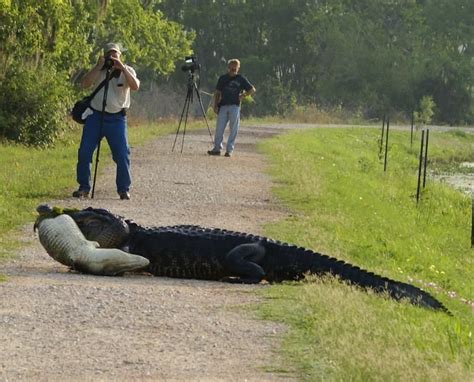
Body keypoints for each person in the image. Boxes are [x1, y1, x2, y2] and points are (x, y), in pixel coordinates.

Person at [72, 42, 140, 200]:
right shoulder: (99, 71)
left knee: (122, 154)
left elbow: (135, 86)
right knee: (84, 152)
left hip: (117, 119)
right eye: (109, 54)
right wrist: (98, 66)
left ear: (120, 56)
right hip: (95, 117)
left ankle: (123, 189)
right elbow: (84, 84)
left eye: (115, 54)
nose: (112, 57)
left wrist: (121, 67)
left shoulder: (127, 70)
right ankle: (83, 187)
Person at [207, 59, 256, 157]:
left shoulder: (241, 78)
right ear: (228, 68)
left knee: (233, 128)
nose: (233, 70)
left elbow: (252, 89)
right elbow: (217, 93)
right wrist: (215, 105)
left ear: (238, 68)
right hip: (223, 105)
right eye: (231, 68)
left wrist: (243, 95)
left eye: (235, 68)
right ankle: (217, 148)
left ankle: (229, 150)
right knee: (219, 128)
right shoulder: (223, 78)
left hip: (235, 106)